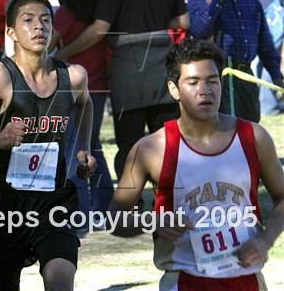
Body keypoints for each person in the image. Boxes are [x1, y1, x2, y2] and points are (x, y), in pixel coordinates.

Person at [0, 0, 96, 290]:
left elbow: (85, 103)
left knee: (60, 281)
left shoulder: (73, 77)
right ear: (11, 32)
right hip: (4, 205)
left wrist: (84, 148)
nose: (39, 27)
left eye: (46, 20)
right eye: (28, 21)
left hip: (54, 201)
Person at [108, 38, 284, 291]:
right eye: (193, 82)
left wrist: (265, 240)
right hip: (183, 281)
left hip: (247, 280)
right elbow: (114, 217)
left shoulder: (254, 137)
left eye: (212, 80)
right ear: (173, 89)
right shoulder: (150, 149)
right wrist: (152, 222)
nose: (205, 90)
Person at [55, 0, 189, 184]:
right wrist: (156, 21)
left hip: (128, 74)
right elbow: (184, 20)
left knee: (130, 148)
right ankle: (169, 203)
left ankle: (131, 207)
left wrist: (64, 52)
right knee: (168, 145)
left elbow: (100, 29)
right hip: (162, 71)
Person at [50, 0, 114, 229]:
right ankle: (104, 206)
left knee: (78, 149)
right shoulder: (100, 12)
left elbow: (48, 46)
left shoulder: (64, 14)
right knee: (91, 145)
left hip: (71, 89)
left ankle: (83, 213)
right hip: (99, 86)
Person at [188, 0, 284, 122]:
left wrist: (277, 77)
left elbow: (265, 45)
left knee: (249, 132)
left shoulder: (251, 0)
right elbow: (199, 30)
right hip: (219, 78)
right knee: (222, 135)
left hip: (246, 79)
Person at [243, 0, 284, 115]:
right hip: (271, 10)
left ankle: (264, 103)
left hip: (257, 5)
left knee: (262, 58)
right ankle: (268, 105)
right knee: (268, 57)